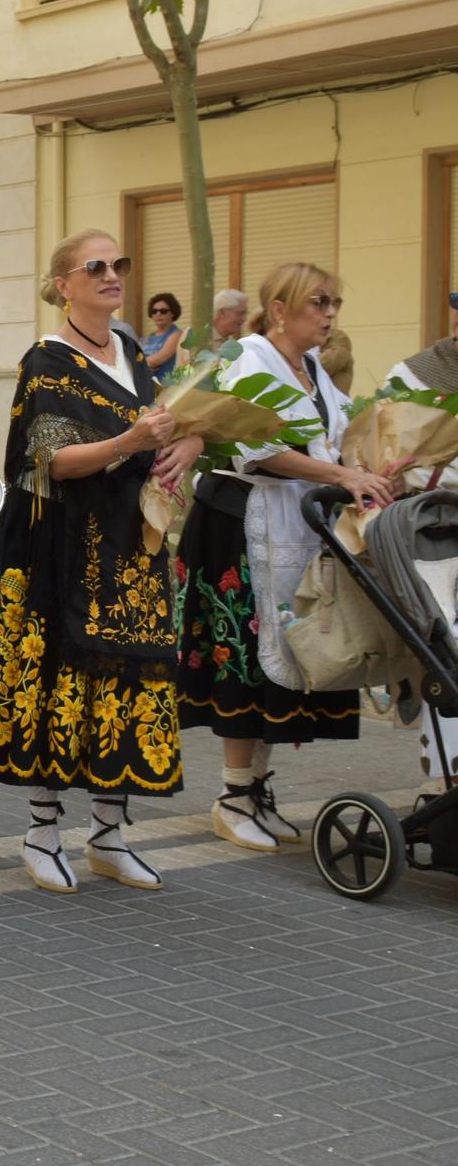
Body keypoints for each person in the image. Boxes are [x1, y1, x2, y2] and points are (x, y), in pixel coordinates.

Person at [0, 229, 202, 893]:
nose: (111, 274)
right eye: (95, 265)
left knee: (127, 681)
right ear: (63, 284)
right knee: (55, 680)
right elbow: (48, 459)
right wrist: (129, 440)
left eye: (118, 263)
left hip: (132, 543)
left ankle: (108, 833)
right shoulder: (47, 358)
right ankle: (42, 830)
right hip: (64, 542)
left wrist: (180, 449)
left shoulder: (132, 350)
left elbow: (165, 423)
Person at [176, 263, 374, 852]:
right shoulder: (250, 358)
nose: (330, 312)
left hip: (294, 526)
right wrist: (341, 471)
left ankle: (256, 788)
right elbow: (252, 448)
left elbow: (335, 438)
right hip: (239, 529)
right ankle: (233, 795)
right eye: (318, 302)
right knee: (244, 655)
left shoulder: (312, 367)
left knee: (281, 654)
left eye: (334, 301)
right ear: (281, 308)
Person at [387, 292, 458, 785]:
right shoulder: (414, 375)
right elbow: (383, 453)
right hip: (436, 531)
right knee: (447, 656)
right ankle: (444, 787)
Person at [142, 293, 186, 379]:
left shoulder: (176, 335)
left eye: (163, 311)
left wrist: (138, 363)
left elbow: (158, 360)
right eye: (154, 311)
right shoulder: (149, 337)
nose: (158, 314)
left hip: (166, 388)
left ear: (172, 313)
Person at [209, 289, 249, 357]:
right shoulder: (201, 341)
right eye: (240, 313)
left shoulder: (233, 343)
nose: (244, 319)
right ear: (222, 313)